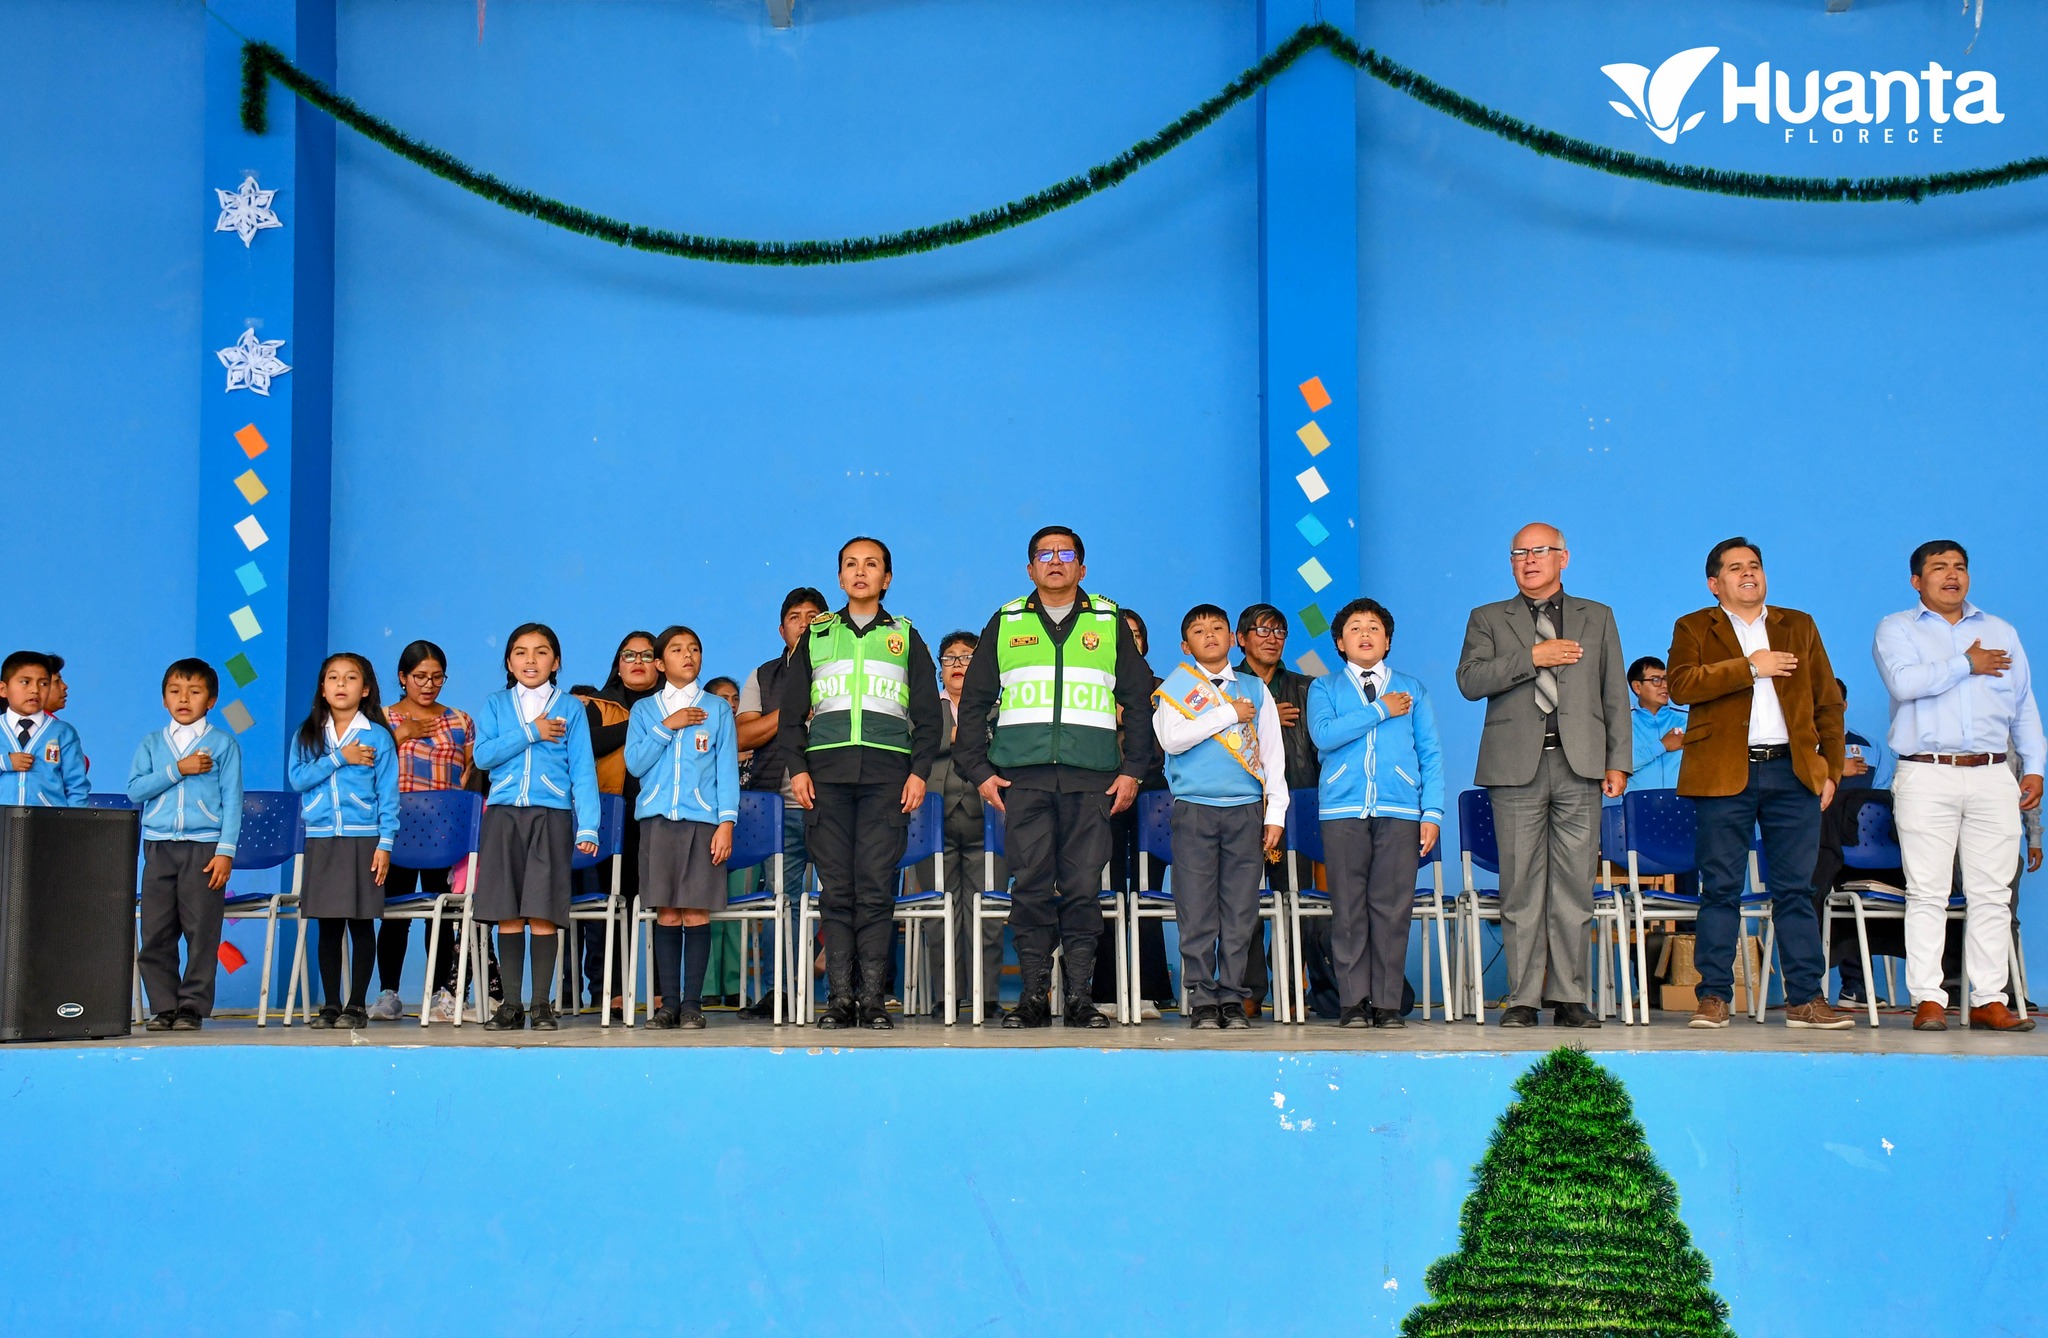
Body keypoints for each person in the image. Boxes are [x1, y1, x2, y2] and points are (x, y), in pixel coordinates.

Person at [954, 525, 1157, 1030]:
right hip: (1023, 781)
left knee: (1084, 890)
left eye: (1066, 554)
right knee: (1031, 889)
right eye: (1044, 554)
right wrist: (979, 771)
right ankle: (1032, 998)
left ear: (1082, 568)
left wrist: (1133, 769)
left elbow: (1137, 701)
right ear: (1030, 569)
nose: (1055, 561)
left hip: (1093, 781)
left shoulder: (1109, 620)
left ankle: (1081, 999)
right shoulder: (1006, 621)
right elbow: (974, 703)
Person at [1667, 536, 1854, 1031]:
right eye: (1735, 568)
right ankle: (1713, 996)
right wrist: (1752, 667)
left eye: (1754, 565)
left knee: (1796, 889)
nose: (1748, 573)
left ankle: (1806, 999)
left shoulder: (1799, 624)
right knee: (1721, 888)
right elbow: (1683, 684)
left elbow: (1828, 702)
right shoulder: (1693, 626)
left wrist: (1829, 769)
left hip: (1792, 773)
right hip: (1723, 772)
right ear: (1715, 584)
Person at [1454, 524, 1628, 1028]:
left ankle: (1570, 996)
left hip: (1581, 765)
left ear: (1564, 558)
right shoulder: (1487, 617)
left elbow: (1613, 691)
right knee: (1521, 887)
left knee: (1575, 886)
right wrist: (1532, 658)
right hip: (1515, 769)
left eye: (1540, 551)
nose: (1530, 560)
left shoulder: (1597, 616)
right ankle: (1524, 997)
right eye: (1519, 553)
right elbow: (1470, 681)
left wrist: (1617, 761)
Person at [1872, 539, 2042, 1032]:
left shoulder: (2000, 631)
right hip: (1926, 770)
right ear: (1916, 581)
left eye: (1960, 567)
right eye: (1940, 568)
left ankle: (1990, 998)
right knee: (1928, 892)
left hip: (1993, 773)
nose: (1952, 575)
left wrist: (2033, 766)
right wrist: (1968, 663)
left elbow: (2025, 706)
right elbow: (1905, 684)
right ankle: (1929, 998)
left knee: (1993, 893)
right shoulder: (1896, 628)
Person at [777, 538, 941, 1029]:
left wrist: (917, 773)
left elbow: (930, 718)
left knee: (874, 889)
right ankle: (838, 1001)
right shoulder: (817, 634)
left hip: (887, 779)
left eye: (872, 565)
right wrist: (799, 768)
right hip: (825, 777)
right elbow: (790, 718)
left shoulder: (907, 637)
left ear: (886, 579)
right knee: (837, 890)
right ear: (840, 578)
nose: (861, 572)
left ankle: (872, 1001)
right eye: (851, 564)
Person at [1307, 598, 1444, 1029]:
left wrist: (1433, 811)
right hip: (1342, 810)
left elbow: (1431, 754)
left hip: (1401, 809)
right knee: (1348, 908)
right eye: (1355, 629)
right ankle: (1352, 1002)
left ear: (1387, 641)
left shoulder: (1412, 689)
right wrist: (1381, 709)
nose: (1365, 635)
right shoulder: (1324, 688)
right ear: (1340, 643)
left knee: (1392, 908)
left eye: (1374, 628)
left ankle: (1386, 1003)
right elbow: (1324, 736)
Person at [1152, 605, 1287, 1029]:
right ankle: (1203, 998)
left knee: (1241, 911)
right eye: (1198, 630)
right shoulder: (1176, 687)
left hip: (1246, 811)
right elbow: (1172, 740)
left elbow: (1272, 755)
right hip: (1195, 810)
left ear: (1232, 639)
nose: (1209, 635)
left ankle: (1233, 996)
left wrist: (1276, 811)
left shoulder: (1253, 689)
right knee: (1195, 910)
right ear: (1184, 645)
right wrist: (1228, 714)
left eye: (1217, 629)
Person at [472, 623, 602, 1031]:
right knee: (508, 911)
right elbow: (483, 756)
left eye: (541, 652)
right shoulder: (495, 704)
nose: (531, 660)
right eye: (521, 652)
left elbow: (583, 772)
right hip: (505, 817)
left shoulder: (571, 708)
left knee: (543, 910)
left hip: (551, 818)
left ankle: (542, 1003)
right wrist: (532, 732)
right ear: (509, 662)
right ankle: (511, 1004)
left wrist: (589, 828)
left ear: (556, 661)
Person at [627, 626, 740, 1029]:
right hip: (658, 825)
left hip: (701, 824)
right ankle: (668, 1002)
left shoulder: (717, 709)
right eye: (676, 650)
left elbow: (726, 771)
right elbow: (634, 764)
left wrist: (725, 823)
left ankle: (692, 1003)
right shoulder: (645, 711)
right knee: (668, 914)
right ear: (660, 663)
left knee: (696, 913)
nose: (687, 655)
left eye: (694, 648)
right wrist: (668, 725)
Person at [287, 653, 401, 1030]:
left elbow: (388, 794)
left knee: (360, 922)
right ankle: (331, 1005)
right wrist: (340, 758)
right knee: (329, 925)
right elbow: (298, 780)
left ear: (364, 689)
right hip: (322, 839)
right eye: (333, 677)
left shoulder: (377, 737)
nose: (340, 684)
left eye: (350, 678)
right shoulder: (308, 735)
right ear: (322, 687)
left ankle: (356, 1006)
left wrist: (385, 842)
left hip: (363, 839)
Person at [127, 659, 242, 1030]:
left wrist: (225, 851)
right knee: (156, 931)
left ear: (211, 700)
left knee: (201, 929)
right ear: (163, 699)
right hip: (159, 848)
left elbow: (233, 800)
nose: (183, 699)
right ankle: (164, 1005)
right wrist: (179, 769)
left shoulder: (223, 744)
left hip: (204, 849)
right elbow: (135, 790)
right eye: (175, 691)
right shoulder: (150, 744)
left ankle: (191, 1005)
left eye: (194, 692)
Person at [367, 640, 477, 1022]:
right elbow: (365, 770)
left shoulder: (461, 720)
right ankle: (388, 993)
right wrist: (401, 735)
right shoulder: (380, 719)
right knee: (395, 911)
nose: (428, 685)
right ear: (402, 678)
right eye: (419, 677)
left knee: (442, 912)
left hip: (444, 832)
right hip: (395, 829)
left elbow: (471, 774)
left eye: (437, 677)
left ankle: (441, 994)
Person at [902, 631, 1009, 1019]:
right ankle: (946, 994)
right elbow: (917, 745)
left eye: (968, 657)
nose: (959, 664)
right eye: (950, 658)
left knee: (990, 912)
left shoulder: (998, 707)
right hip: (931, 822)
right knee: (939, 912)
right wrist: (960, 736)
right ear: (939, 669)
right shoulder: (925, 708)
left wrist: (951, 738)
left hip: (989, 822)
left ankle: (988, 995)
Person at [735, 586, 829, 1020]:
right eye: (796, 616)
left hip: (834, 804)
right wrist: (793, 711)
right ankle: (783, 992)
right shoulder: (763, 675)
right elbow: (743, 735)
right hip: (778, 808)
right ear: (781, 628)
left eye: (815, 615)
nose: (806, 622)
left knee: (841, 900)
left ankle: (835, 987)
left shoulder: (846, 668)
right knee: (782, 903)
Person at [1237, 603, 1335, 1016]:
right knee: (1242, 902)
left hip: (1295, 806)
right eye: (1262, 630)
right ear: (1241, 639)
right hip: (1240, 804)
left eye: (1279, 631)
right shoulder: (1226, 685)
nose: (1272, 638)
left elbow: (1324, 746)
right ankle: (1247, 990)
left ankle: (1294, 988)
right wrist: (1262, 719)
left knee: (1293, 900)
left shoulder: (1307, 687)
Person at [568, 631, 661, 1017]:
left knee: (658, 904)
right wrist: (641, 723)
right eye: (628, 655)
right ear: (617, 664)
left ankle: (660, 990)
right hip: (610, 816)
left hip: (658, 815)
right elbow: (585, 744)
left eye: (646, 655)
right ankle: (613, 990)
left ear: (660, 664)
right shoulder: (595, 704)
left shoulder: (675, 703)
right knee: (612, 907)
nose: (637, 661)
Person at [1093, 607, 1172, 1019]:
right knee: (1105, 893)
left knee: (1146, 894)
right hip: (1103, 795)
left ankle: (1150, 989)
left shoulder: (1162, 691)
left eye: (1136, 633)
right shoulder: (1088, 687)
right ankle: (1104, 990)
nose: (1130, 639)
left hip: (1153, 798)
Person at [703, 675, 750, 1006]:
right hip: (708, 830)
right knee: (705, 911)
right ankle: (705, 988)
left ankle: (735, 986)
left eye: (735, 698)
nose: (731, 704)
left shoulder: (753, 737)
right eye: (723, 698)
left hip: (747, 832)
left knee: (737, 911)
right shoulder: (701, 739)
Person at [0, 651, 88, 807]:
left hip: (48, 824)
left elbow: (76, 787)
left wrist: (75, 826)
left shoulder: (63, 733)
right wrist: (5, 762)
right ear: (3, 689)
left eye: (44, 683)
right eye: (25, 682)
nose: (35, 689)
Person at [1625, 656, 1687, 795]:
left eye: (1666, 679)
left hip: (1684, 802)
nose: (1665, 685)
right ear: (1637, 687)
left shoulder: (1687, 718)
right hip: (1638, 804)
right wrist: (1662, 746)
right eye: (1656, 680)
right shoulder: (1623, 722)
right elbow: (1618, 764)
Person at [1835, 678, 1897, 793]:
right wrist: (1836, 770)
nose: (1828, 707)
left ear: (1844, 705)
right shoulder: (1801, 745)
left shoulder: (1870, 746)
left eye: (1834, 701)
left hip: (1861, 810)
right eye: (1822, 702)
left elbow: (1882, 793)